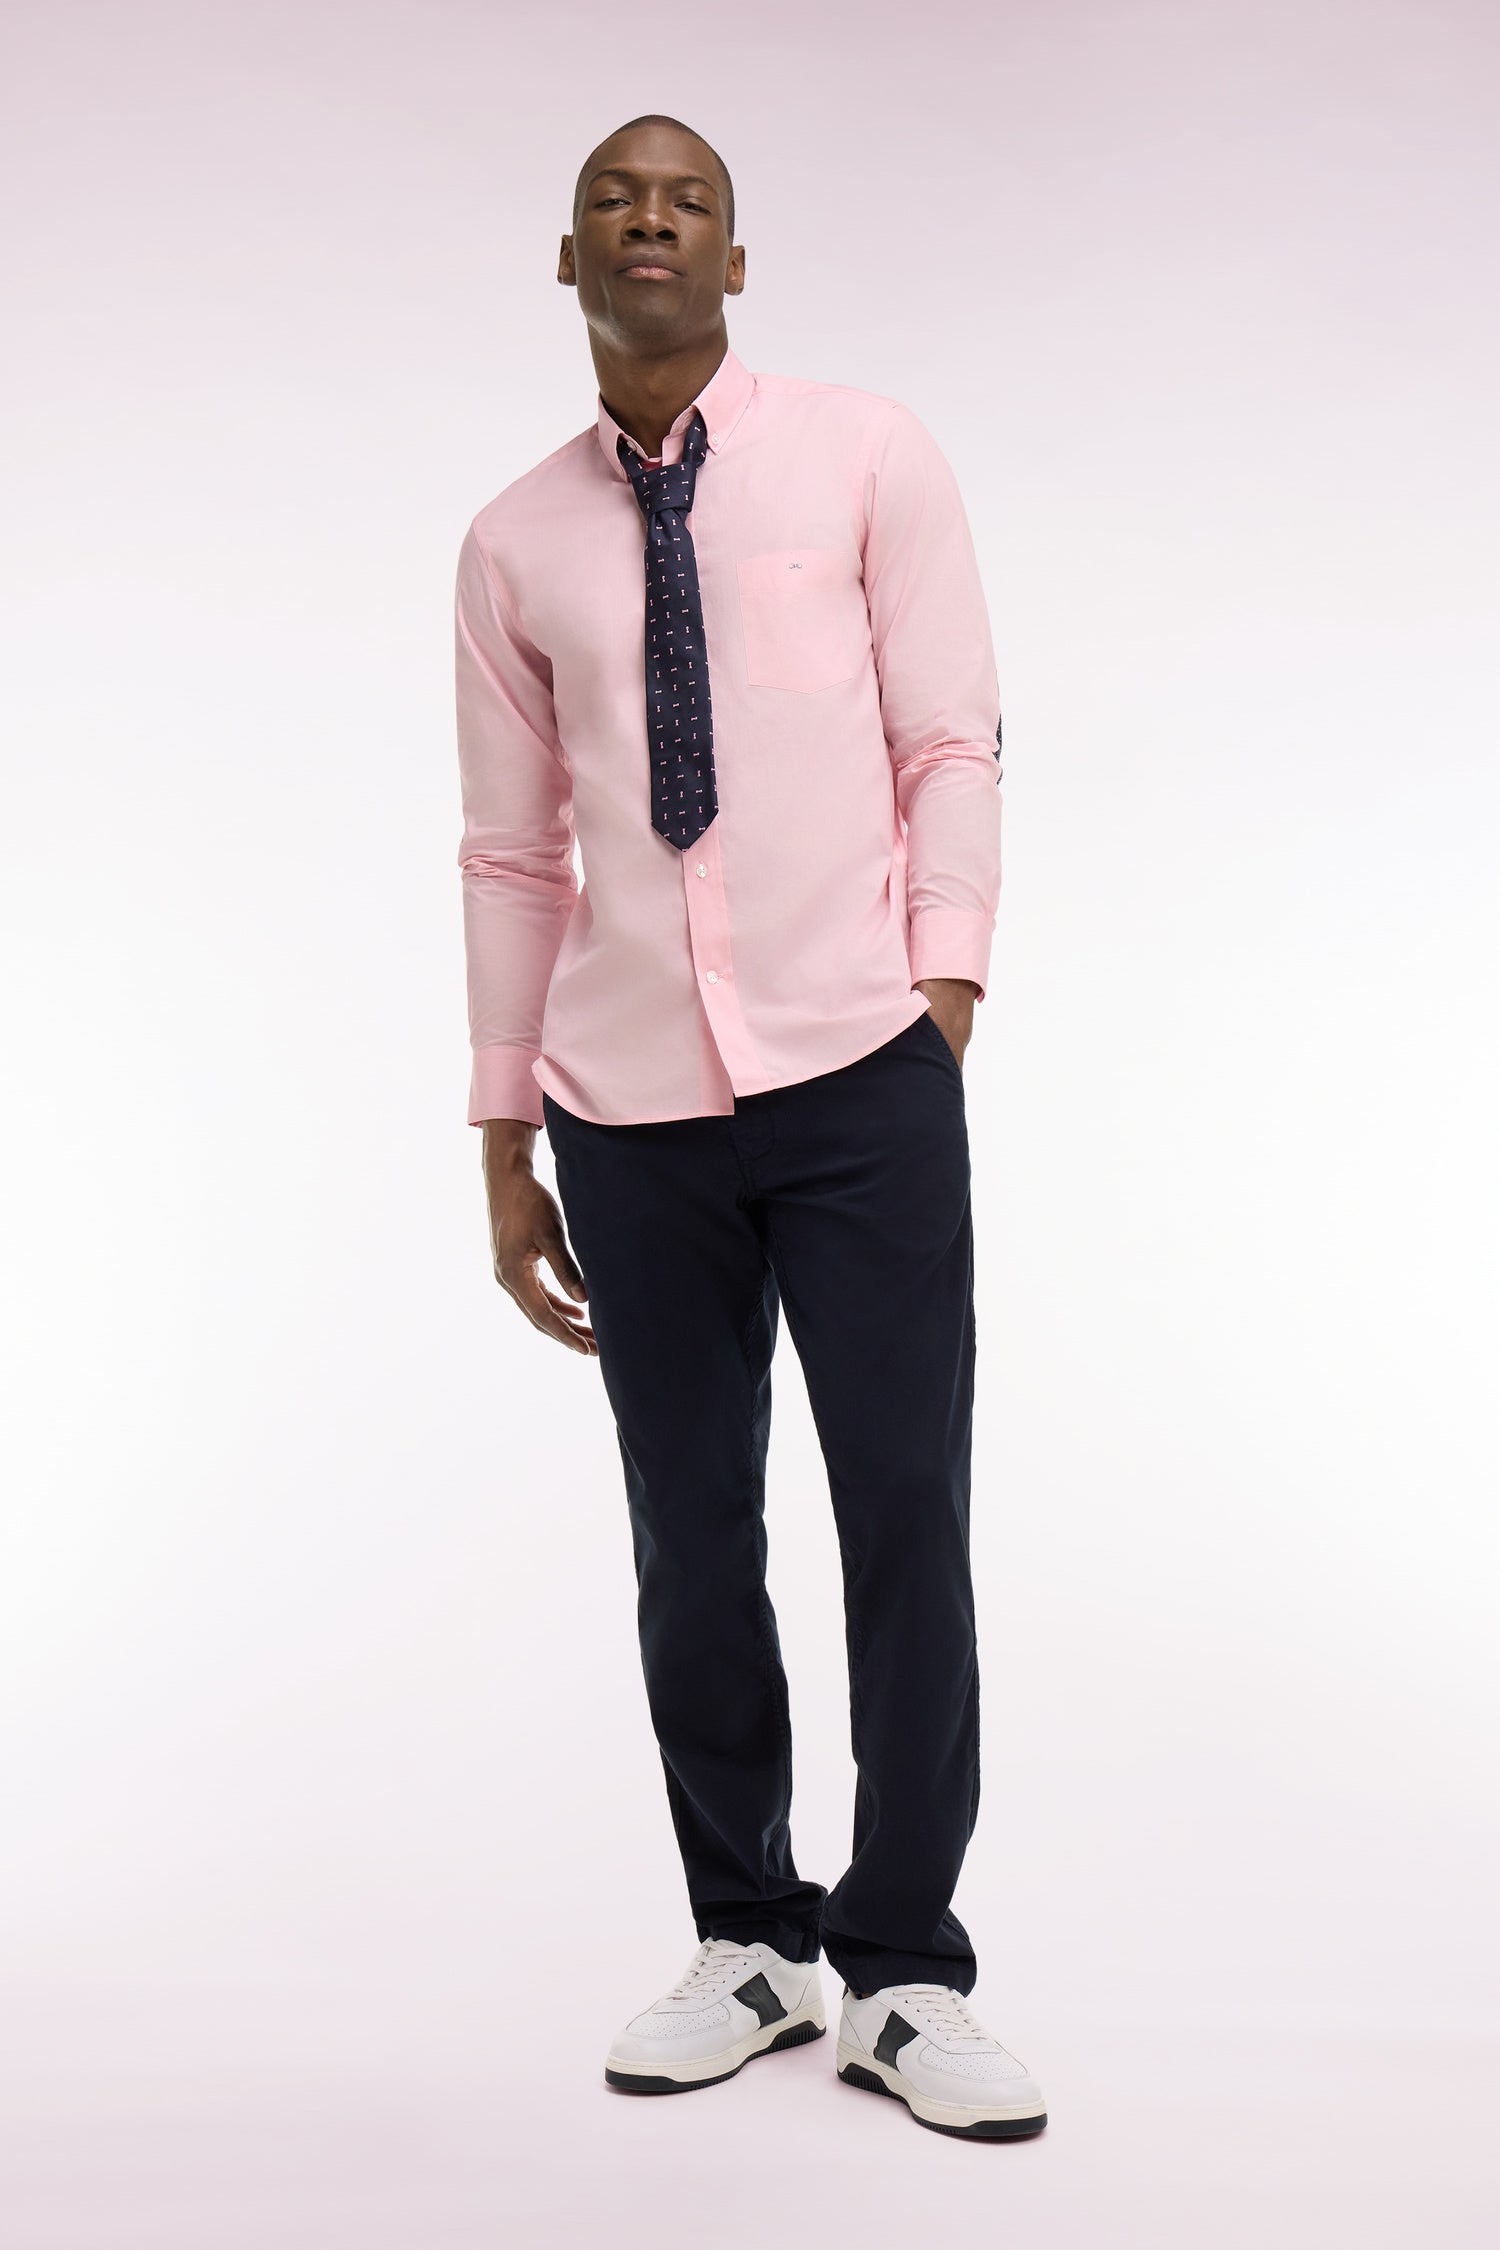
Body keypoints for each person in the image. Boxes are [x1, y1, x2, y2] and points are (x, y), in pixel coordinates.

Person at [452, 111, 1046, 2142]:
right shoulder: (512, 544)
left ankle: (903, 1966)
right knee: (690, 1537)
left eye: (685, 199)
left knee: (904, 1515)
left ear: (732, 252)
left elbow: (951, 737)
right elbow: (511, 852)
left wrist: (941, 992)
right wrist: (503, 1126)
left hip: (862, 1073)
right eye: (613, 200)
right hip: (627, 1113)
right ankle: (751, 1937)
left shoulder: (868, 455)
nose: (649, 220)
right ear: (568, 258)